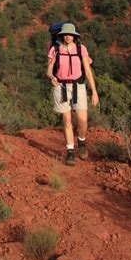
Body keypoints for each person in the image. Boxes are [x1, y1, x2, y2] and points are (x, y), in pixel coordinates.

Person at [46, 22, 99, 166]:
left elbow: (88, 71)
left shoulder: (81, 49)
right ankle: (70, 152)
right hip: (61, 87)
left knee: (82, 120)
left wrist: (94, 91)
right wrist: (52, 77)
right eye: (65, 35)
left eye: (70, 35)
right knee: (67, 121)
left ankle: (81, 141)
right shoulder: (55, 49)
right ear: (61, 36)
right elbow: (49, 69)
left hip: (77, 86)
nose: (67, 37)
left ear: (75, 36)